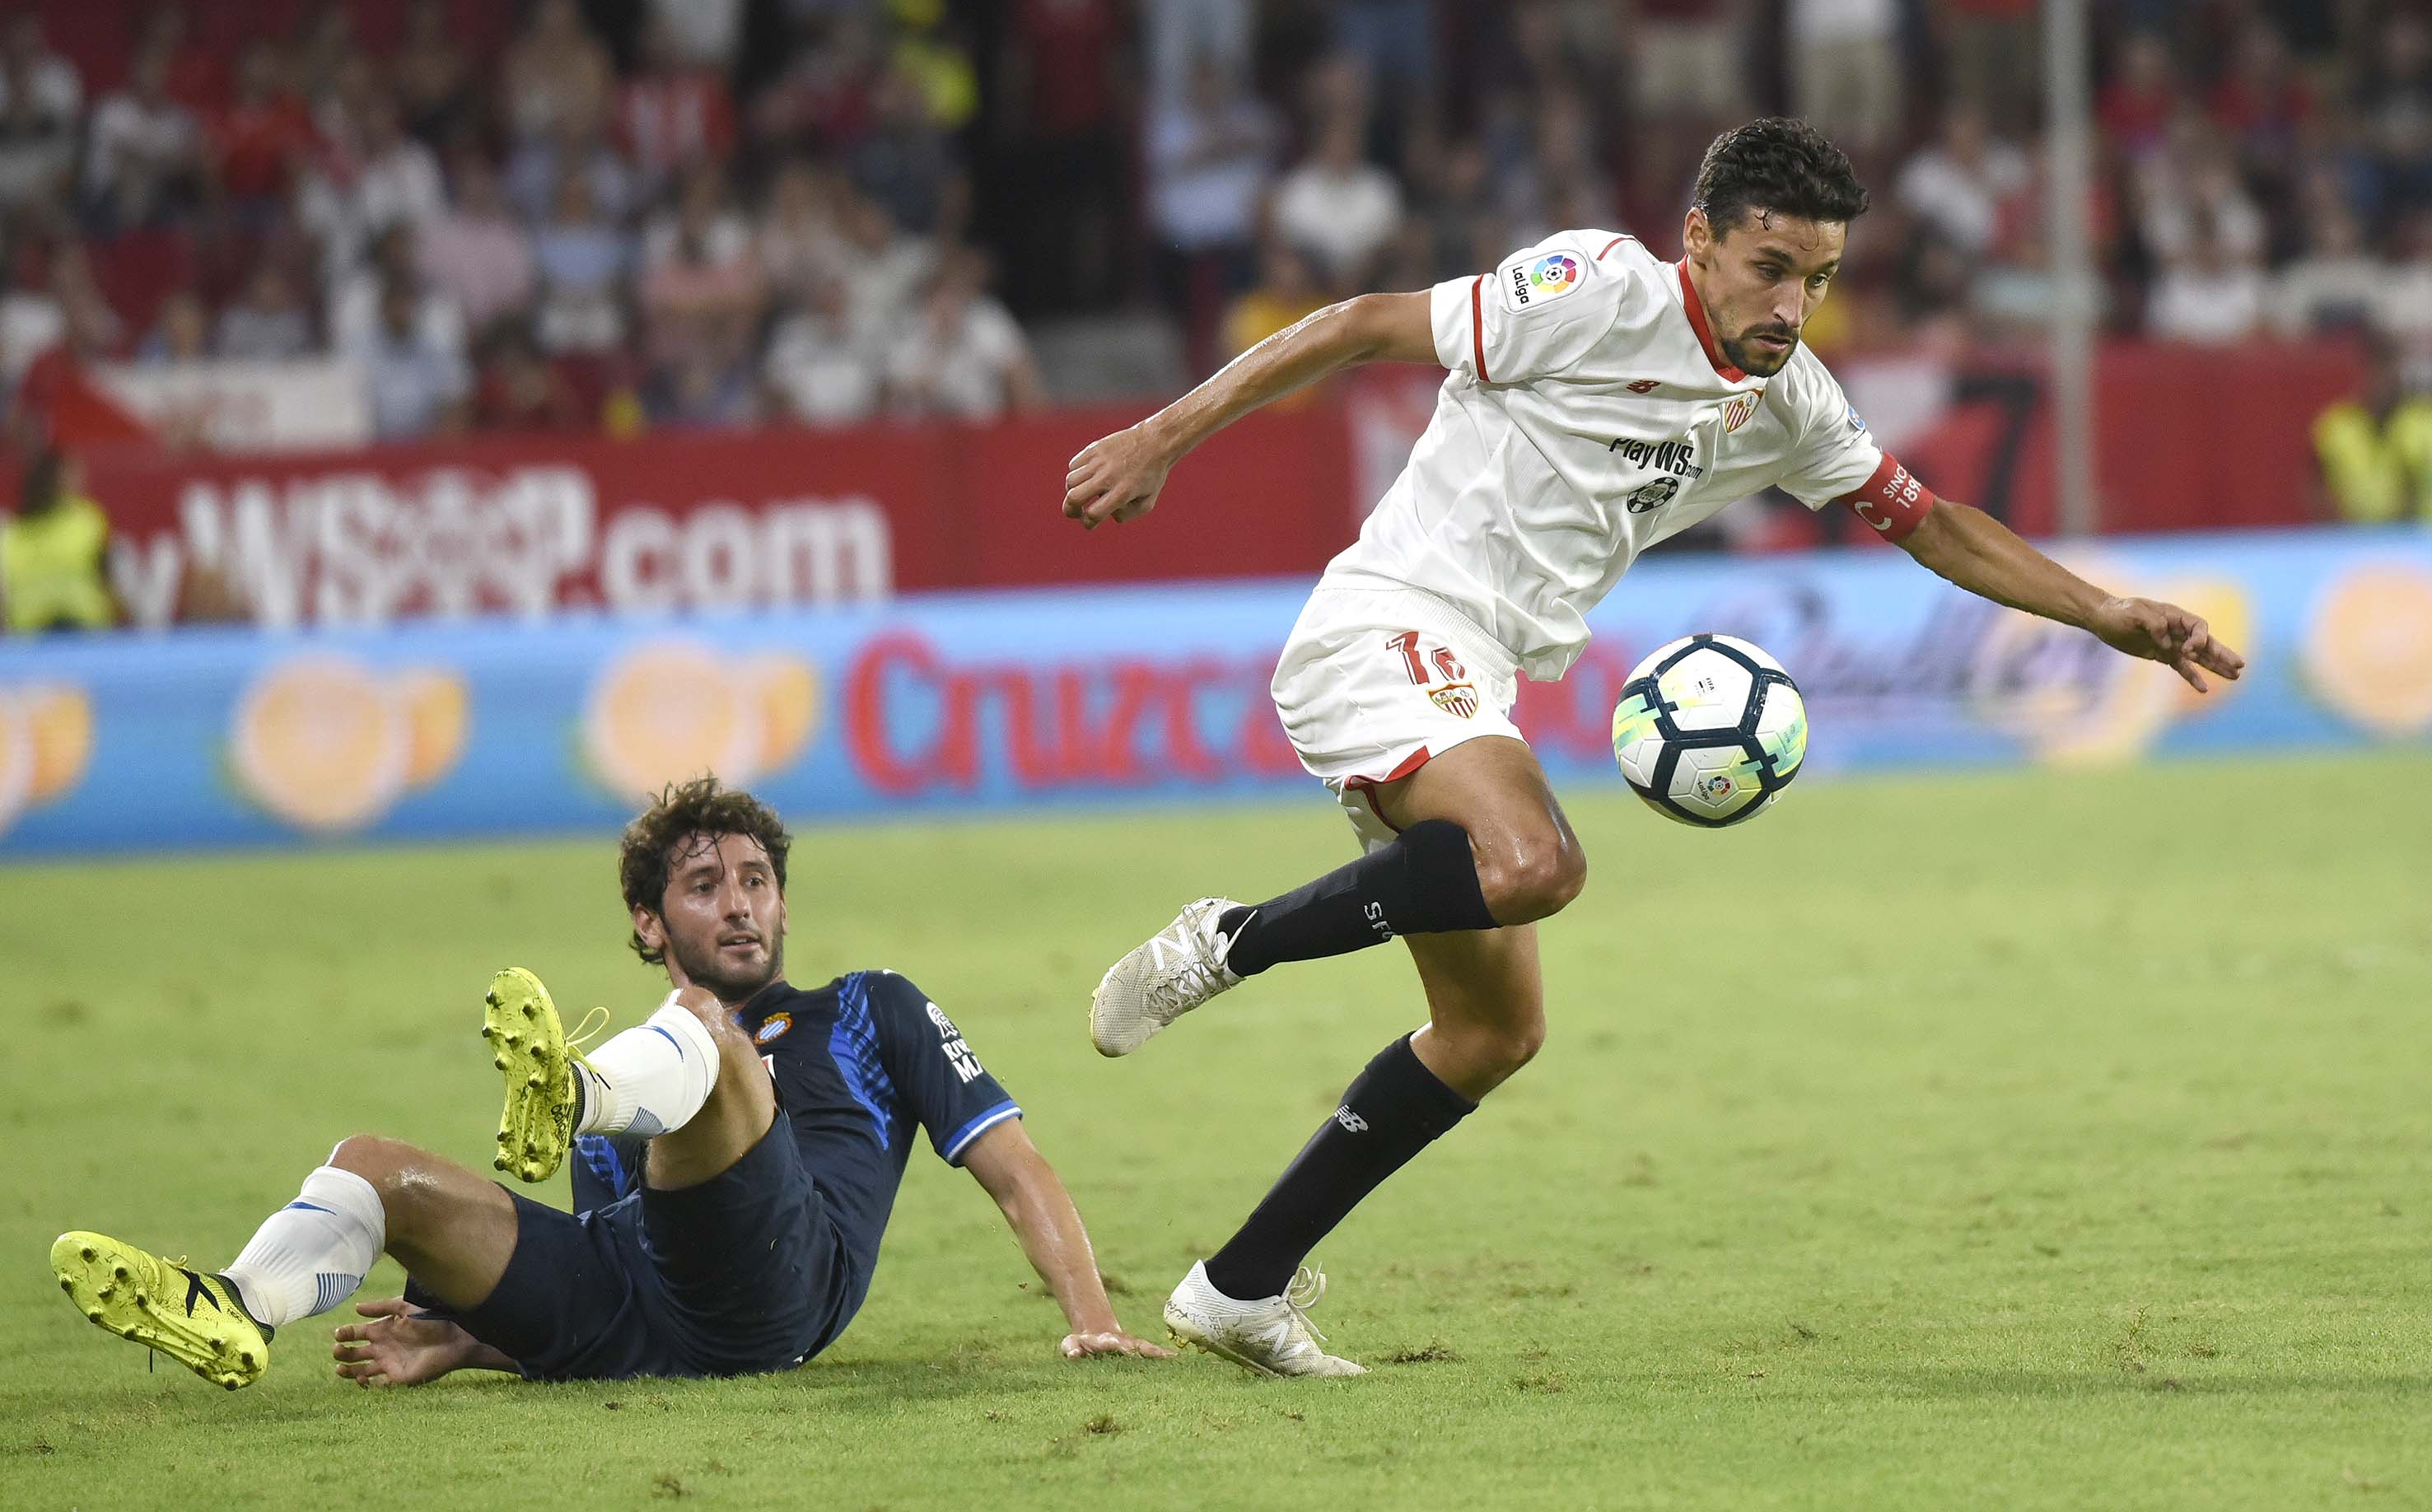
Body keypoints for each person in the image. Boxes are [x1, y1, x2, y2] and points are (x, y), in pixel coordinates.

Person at [1059, 117, 2245, 1378]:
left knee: (1489, 1034)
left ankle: (1236, 1289)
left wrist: (2105, 608)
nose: (1795, 305)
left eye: (1822, 279)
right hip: (1392, 621)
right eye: (1771, 267)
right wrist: (1159, 436)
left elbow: (1928, 520)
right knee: (1534, 861)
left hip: (1477, 678)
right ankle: (1228, 941)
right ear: (1699, 239)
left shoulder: (1785, 399)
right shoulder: (1589, 292)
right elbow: (1356, 320)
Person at [49, 778, 1168, 1388]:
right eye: (704, 884)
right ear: (649, 918)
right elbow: (630, 1270)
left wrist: (1093, 1319)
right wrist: (474, 1336)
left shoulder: (869, 1007)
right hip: (641, 1307)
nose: (739, 904)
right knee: (370, 1168)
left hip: (784, 1285)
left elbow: (1013, 1166)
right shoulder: (661, 1058)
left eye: (757, 881)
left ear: (782, 903)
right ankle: (239, 1307)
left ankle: (566, 1091)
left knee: (706, 1038)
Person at [2312, 334, 2432, 523]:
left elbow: (2415, 486)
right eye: (2377, 370)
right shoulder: (2337, 425)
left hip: (2416, 538)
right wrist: (2335, 526)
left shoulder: (2420, 423)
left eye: (2389, 370)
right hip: (2352, 538)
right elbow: (2315, 483)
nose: (2384, 381)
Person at [0, 445, 114, 634]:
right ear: (56, 481)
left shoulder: (11, 533)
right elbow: (107, 580)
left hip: (39, 633)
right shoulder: (86, 521)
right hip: (72, 632)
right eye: (72, 474)